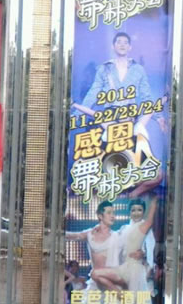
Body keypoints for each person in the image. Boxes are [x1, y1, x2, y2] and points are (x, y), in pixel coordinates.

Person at [71, 32, 166, 197]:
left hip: (129, 116)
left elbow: (146, 97)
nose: (122, 45)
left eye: (125, 42)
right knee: (100, 166)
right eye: (119, 42)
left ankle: (131, 194)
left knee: (151, 170)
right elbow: (94, 92)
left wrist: (158, 117)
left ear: (130, 47)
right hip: (110, 118)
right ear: (113, 46)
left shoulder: (138, 70)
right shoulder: (104, 69)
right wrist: (76, 113)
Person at [66, 201, 121, 304]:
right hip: (95, 283)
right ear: (100, 216)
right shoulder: (90, 234)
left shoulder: (117, 236)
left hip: (111, 283)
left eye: (113, 213)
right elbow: (72, 236)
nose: (113, 216)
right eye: (109, 213)